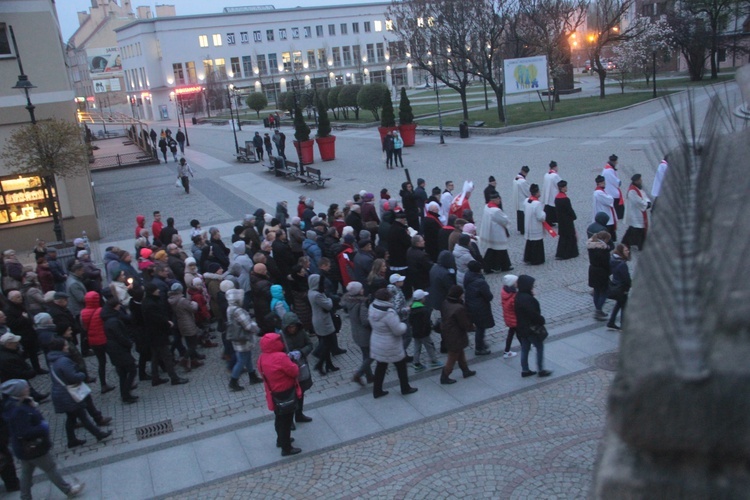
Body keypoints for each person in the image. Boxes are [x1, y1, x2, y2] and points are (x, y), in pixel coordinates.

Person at [1, 379, 85, 499]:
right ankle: (68, 490)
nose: (28, 388)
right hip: (33, 447)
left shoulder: (13, 404)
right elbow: (25, 431)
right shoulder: (19, 410)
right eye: (25, 387)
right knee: (50, 468)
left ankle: (25, 497)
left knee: (26, 472)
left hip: (22, 448)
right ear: (18, 391)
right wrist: (42, 427)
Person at [47, 337, 112, 448]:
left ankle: (72, 440)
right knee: (82, 416)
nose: (68, 347)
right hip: (68, 395)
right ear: (61, 348)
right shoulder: (63, 361)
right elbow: (73, 376)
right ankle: (98, 434)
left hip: (61, 394)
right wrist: (82, 375)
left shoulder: (53, 360)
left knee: (72, 418)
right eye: (66, 345)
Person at [257, 333, 302, 456]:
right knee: (286, 421)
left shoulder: (262, 358)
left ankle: (280, 440)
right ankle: (286, 447)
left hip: (273, 393)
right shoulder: (280, 357)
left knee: (279, 418)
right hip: (285, 392)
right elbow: (294, 371)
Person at [369, 288, 418, 398]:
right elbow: (398, 330)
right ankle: (405, 388)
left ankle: (377, 390)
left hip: (378, 342)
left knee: (380, 367)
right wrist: (404, 325)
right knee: (401, 366)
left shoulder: (373, 307)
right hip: (390, 345)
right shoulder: (388, 313)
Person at [101, 298, 138, 404]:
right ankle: (126, 393)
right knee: (131, 370)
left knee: (123, 373)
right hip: (118, 349)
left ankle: (125, 394)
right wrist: (128, 343)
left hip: (114, 349)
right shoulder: (113, 321)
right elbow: (120, 336)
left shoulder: (109, 319)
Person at [279, 312, 314, 424]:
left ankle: (299, 414)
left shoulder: (301, 332)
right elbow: (278, 353)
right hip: (288, 370)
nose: (292, 329)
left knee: (301, 392)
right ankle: (290, 421)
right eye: (290, 327)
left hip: (301, 366)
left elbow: (309, 345)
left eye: (293, 326)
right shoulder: (281, 336)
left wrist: (301, 352)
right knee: (290, 396)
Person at [225, 288, 262, 391]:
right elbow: (248, 325)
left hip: (237, 338)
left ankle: (252, 376)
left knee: (247, 357)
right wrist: (256, 328)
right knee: (241, 360)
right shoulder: (238, 310)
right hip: (243, 338)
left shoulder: (230, 308)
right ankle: (233, 381)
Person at [515, 275, 551, 378]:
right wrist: (541, 320)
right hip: (531, 329)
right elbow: (534, 314)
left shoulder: (519, 296)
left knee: (525, 348)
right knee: (539, 347)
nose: (533, 287)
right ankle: (541, 370)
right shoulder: (527, 299)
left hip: (522, 328)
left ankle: (525, 370)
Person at [439, 285, 477, 384]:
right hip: (456, 335)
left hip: (448, 333)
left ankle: (465, 370)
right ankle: (445, 375)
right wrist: (473, 328)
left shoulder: (445, 303)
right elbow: (464, 323)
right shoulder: (459, 308)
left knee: (459, 352)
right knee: (453, 356)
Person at [79, 291, 115, 394]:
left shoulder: (83, 313)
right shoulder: (101, 311)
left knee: (101, 362)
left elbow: (84, 327)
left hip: (93, 341)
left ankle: (103, 384)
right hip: (104, 339)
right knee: (116, 359)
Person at [342, 281, 373, 386]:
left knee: (366, 354)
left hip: (356, 332)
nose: (363, 289)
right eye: (361, 288)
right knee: (372, 355)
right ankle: (359, 374)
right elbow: (365, 321)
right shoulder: (362, 303)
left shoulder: (350, 301)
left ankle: (369, 376)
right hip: (365, 334)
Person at [308, 274, 338, 375]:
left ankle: (328, 365)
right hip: (323, 321)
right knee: (327, 343)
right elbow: (328, 305)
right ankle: (320, 364)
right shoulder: (317, 295)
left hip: (319, 320)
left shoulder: (311, 292)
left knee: (326, 343)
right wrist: (329, 299)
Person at [463, 261, 494, 355]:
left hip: (471, 305)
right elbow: (489, 296)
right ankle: (479, 348)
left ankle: (481, 344)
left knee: (480, 327)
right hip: (480, 307)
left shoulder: (468, 276)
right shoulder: (480, 282)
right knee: (481, 328)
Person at [478, 191, 512, 272]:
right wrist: (508, 222)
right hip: (497, 233)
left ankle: (494, 266)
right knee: (500, 249)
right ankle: (503, 266)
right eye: (498, 199)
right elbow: (504, 220)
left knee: (493, 250)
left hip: (491, 231)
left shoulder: (487, 206)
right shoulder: (496, 210)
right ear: (494, 200)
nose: (499, 200)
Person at [622, 174, 651, 251]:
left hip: (638, 211)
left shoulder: (638, 188)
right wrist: (646, 204)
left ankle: (628, 242)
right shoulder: (632, 190)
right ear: (636, 181)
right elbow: (637, 201)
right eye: (639, 180)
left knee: (636, 229)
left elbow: (644, 196)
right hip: (636, 213)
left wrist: (648, 201)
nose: (641, 181)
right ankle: (637, 245)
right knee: (637, 229)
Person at [587, 231, 612, 321]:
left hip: (593, 270)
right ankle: (598, 310)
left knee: (596, 290)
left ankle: (598, 309)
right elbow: (606, 263)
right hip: (601, 272)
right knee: (604, 292)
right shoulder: (603, 250)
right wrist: (609, 271)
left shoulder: (591, 247)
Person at [607, 244, 632, 331]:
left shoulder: (613, 260)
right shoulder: (622, 264)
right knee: (624, 306)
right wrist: (628, 288)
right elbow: (626, 279)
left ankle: (611, 322)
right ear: (621, 252)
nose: (628, 251)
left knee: (619, 304)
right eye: (626, 250)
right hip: (622, 288)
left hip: (616, 286)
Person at [554, 180, 579, 260]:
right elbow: (569, 210)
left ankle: (561, 253)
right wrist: (574, 216)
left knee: (563, 237)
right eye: (565, 187)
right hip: (567, 220)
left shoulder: (557, 198)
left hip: (561, 220)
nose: (566, 188)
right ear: (562, 188)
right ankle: (570, 253)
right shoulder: (565, 199)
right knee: (570, 236)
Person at [523, 184, 547, 265]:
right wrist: (544, 213)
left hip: (528, 225)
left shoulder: (526, 200)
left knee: (529, 242)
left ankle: (528, 258)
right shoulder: (537, 203)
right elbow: (540, 217)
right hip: (535, 226)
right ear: (537, 193)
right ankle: (536, 259)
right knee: (536, 243)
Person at [592, 175, 617, 242]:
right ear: (599, 183)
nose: (605, 184)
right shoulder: (599, 193)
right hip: (604, 213)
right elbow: (609, 200)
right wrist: (610, 197)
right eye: (603, 183)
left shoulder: (599, 191)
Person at [500, 275, 519, 358]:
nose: (517, 283)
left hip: (509, 317)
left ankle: (507, 350)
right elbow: (516, 307)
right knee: (518, 333)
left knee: (513, 333)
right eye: (516, 281)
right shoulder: (513, 295)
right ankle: (507, 351)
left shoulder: (505, 291)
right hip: (514, 318)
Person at [601, 154, 624, 220]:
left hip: (609, 189)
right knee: (617, 206)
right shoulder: (609, 170)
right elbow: (615, 181)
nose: (617, 162)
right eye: (616, 161)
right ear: (614, 161)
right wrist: (619, 182)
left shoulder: (607, 168)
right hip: (612, 191)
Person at [512, 166, 531, 234]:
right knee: (523, 216)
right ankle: (523, 229)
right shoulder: (523, 181)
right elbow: (527, 191)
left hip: (517, 199)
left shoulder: (515, 178)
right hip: (522, 199)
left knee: (519, 215)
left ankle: (520, 228)